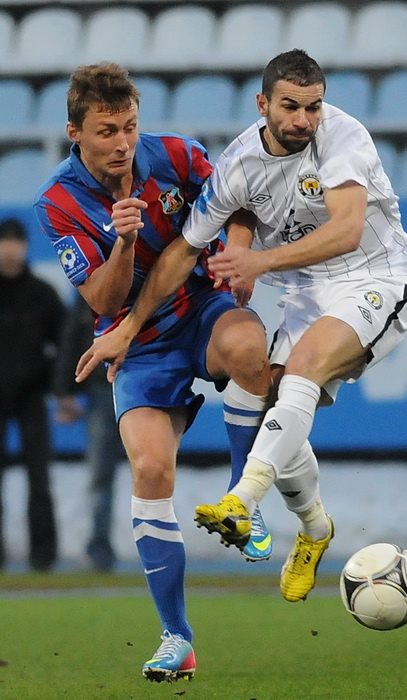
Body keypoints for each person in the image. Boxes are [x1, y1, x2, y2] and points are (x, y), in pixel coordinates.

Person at [76, 50, 407, 606]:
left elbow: (348, 230)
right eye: (290, 106)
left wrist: (256, 262)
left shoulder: (343, 136)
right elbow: (184, 251)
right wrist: (130, 325)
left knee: (302, 372)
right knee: (265, 395)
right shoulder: (238, 164)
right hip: (308, 293)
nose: (303, 119)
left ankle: (243, 498)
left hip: (376, 276)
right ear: (263, 104)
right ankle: (315, 529)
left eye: (313, 106)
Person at [34, 63, 272, 683]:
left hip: (199, 310)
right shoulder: (57, 203)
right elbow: (102, 300)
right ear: (75, 133)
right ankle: (177, 637)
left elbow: (241, 203)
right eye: (106, 131)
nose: (122, 143)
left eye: (129, 126)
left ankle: (243, 498)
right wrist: (121, 241)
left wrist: (237, 251)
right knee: (150, 470)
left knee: (248, 346)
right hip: (134, 346)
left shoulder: (177, 156)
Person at [0, 217, 64, 571]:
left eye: (16, 242)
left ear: (25, 247)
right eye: (5, 242)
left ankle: (43, 556)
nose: (10, 249)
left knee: (39, 477)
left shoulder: (42, 294)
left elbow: (65, 345)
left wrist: (62, 390)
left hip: (32, 395)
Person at [53, 293, 125, 571]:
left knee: (154, 469)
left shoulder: (152, 277)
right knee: (100, 475)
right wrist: (64, 390)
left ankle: (161, 547)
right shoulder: (93, 286)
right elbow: (73, 335)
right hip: (103, 388)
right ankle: (99, 549)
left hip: (146, 382)